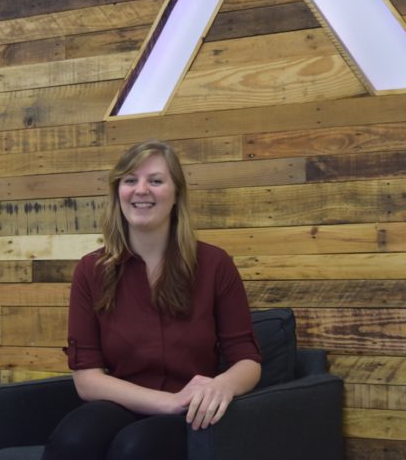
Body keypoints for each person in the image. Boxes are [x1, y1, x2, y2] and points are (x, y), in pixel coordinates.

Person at [42, 140, 262, 460]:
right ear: (118, 192)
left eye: (155, 180)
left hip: (190, 411)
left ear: (176, 194)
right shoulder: (91, 270)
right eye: (130, 180)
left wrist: (222, 386)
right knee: (72, 440)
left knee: (136, 448)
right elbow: (87, 380)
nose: (141, 189)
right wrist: (167, 402)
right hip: (123, 402)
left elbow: (248, 360)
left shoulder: (215, 264)